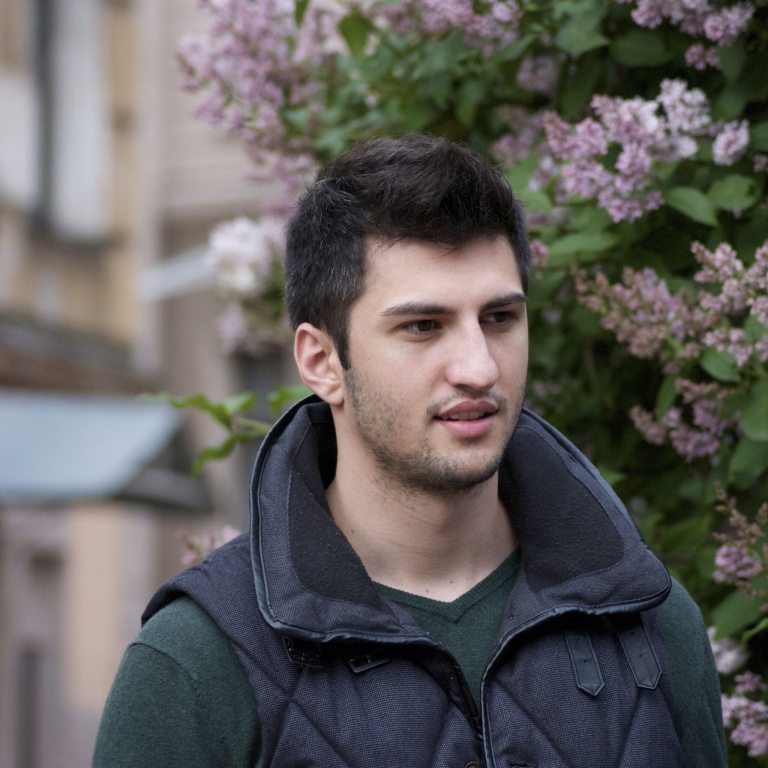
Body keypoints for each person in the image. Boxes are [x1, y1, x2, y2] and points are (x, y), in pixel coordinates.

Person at [93, 135, 726, 768]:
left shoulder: (654, 625)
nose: (479, 368)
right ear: (322, 361)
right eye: (422, 326)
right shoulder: (195, 663)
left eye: (500, 318)